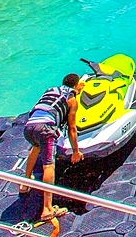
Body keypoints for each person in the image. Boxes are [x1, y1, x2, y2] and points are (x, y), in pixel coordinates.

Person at [22, 74, 83, 221]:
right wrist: (76, 151)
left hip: (29, 127)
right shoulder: (72, 99)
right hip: (46, 128)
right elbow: (72, 128)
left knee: (36, 148)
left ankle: (24, 184)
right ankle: (47, 209)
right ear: (75, 85)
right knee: (48, 165)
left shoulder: (51, 90)